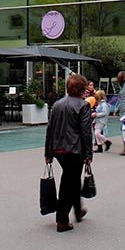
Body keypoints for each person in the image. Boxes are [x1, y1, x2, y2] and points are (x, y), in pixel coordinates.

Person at [44, 73, 93, 233]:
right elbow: (86, 131)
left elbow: (50, 128)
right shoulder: (83, 105)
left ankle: (78, 210)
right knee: (68, 183)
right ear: (82, 89)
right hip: (74, 149)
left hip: (58, 149)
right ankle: (62, 220)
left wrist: (48, 152)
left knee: (71, 179)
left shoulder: (57, 104)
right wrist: (88, 154)